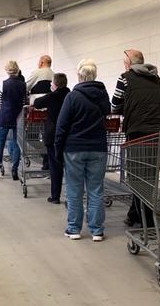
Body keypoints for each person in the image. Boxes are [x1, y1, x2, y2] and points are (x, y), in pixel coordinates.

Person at [55, 59, 110, 242]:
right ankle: (97, 231)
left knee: (74, 189)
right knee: (96, 189)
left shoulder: (72, 97)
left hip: (74, 149)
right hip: (98, 148)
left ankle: (74, 229)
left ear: (79, 75)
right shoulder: (103, 96)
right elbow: (107, 115)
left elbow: (61, 126)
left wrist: (58, 150)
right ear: (94, 75)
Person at [111, 49, 160, 229]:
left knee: (136, 176)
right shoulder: (157, 79)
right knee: (149, 176)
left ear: (129, 64)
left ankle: (145, 218)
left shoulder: (125, 77)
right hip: (158, 134)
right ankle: (135, 213)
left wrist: (126, 109)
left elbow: (114, 105)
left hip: (136, 132)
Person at [33, 73, 70, 204]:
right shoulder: (70, 95)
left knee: (55, 166)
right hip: (69, 135)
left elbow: (37, 103)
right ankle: (72, 195)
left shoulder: (53, 96)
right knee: (70, 166)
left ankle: (55, 196)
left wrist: (52, 91)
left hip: (53, 135)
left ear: (55, 84)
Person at [0, 61, 26, 181]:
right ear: (17, 69)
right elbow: (23, 100)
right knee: (16, 143)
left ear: (7, 70)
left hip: (5, 115)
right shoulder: (22, 84)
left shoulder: (5, 83)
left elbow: (4, 99)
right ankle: (14, 170)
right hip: (18, 116)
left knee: (1, 142)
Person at [27, 55, 55, 170]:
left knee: (31, 137)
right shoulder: (54, 75)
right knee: (47, 137)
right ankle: (47, 160)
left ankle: (45, 156)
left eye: (39, 62)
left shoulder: (37, 72)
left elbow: (25, 86)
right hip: (50, 112)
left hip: (36, 111)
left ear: (42, 62)